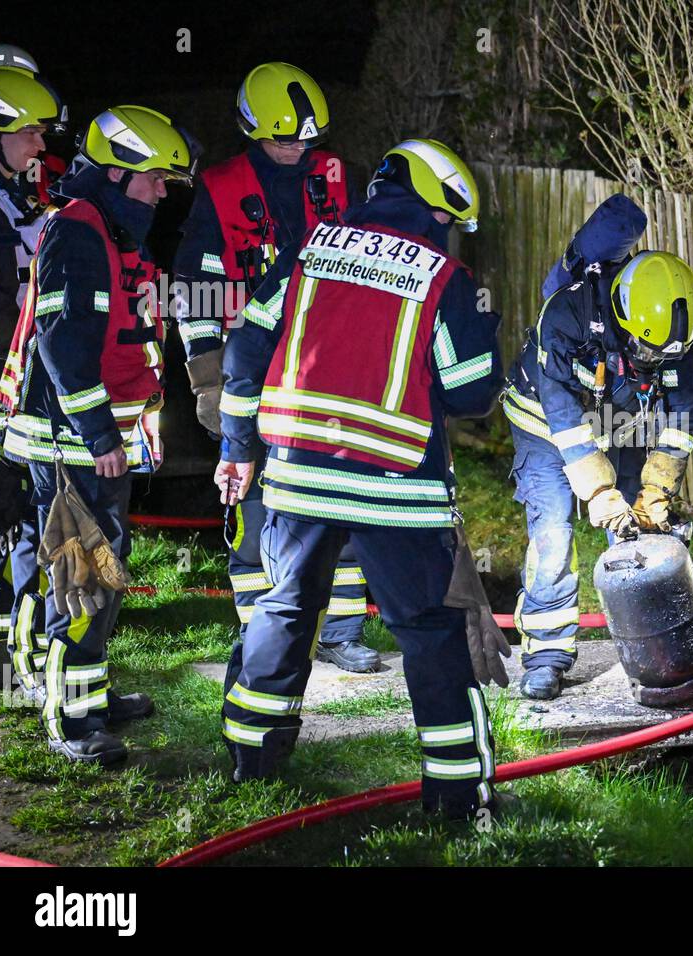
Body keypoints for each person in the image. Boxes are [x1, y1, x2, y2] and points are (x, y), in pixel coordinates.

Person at [215, 139, 504, 814]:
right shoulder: (440, 276)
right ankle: (458, 793)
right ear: (439, 207)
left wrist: (237, 446)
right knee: (431, 631)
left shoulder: (311, 249)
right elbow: (469, 391)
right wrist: (479, 332)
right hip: (395, 487)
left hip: (295, 477)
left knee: (285, 605)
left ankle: (249, 758)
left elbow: (246, 345)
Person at [0, 105, 196, 764]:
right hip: (75, 441)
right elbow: (62, 346)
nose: (163, 192)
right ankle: (72, 722)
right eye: (156, 179)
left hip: (98, 441)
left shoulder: (110, 230)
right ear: (118, 172)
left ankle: (89, 693)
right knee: (82, 576)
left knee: (97, 575)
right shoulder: (80, 233)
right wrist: (100, 434)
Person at [174, 62, 376, 673]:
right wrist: (207, 378)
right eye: (284, 137)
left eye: (306, 139)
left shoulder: (337, 177)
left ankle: (340, 630)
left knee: (336, 494)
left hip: (326, 366)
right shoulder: (220, 187)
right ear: (252, 128)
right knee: (254, 499)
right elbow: (193, 288)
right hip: (250, 366)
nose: (296, 149)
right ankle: (264, 636)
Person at [503, 216, 693, 701]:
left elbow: (680, 426)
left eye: (665, 356)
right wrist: (600, 493)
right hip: (543, 422)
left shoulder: (678, 345)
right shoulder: (567, 316)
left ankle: (654, 650)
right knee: (553, 530)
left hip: (614, 422)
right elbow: (564, 420)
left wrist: (654, 494)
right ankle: (546, 654)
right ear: (622, 316)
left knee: (639, 532)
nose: (655, 362)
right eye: (646, 351)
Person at [0, 60, 66, 698]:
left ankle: (14, 653)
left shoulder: (9, 195)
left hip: (6, 382)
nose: (42, 144)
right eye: (31, 132)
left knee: (12, 521)